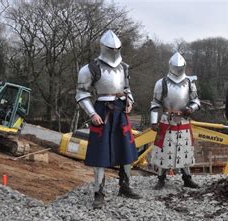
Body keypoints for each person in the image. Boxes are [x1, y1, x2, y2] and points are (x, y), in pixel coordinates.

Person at [75, 30, 141, 209]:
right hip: (102, 112)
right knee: (101, 152)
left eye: (117, 48)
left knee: (126, 149)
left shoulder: (124, 67)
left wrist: (130, 101)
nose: (114, 51)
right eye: (111, 48)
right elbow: (81, 94)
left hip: (121, 111)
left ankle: (125, 186)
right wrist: (92, 114)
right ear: (103, 47)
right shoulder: (90, 69)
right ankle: (99, 192)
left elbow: (127, 89)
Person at [149, 52, 201, 190]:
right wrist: (154, 122)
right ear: (170, 66)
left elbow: (196, 100)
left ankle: (187, 178)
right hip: (167, 120)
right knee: (164, 149)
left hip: (183, 120)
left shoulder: (190, 83)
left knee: (185, 149)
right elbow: (155, 103)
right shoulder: (161, 83)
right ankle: (161, 178)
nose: (178, 69)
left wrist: (191, 108)